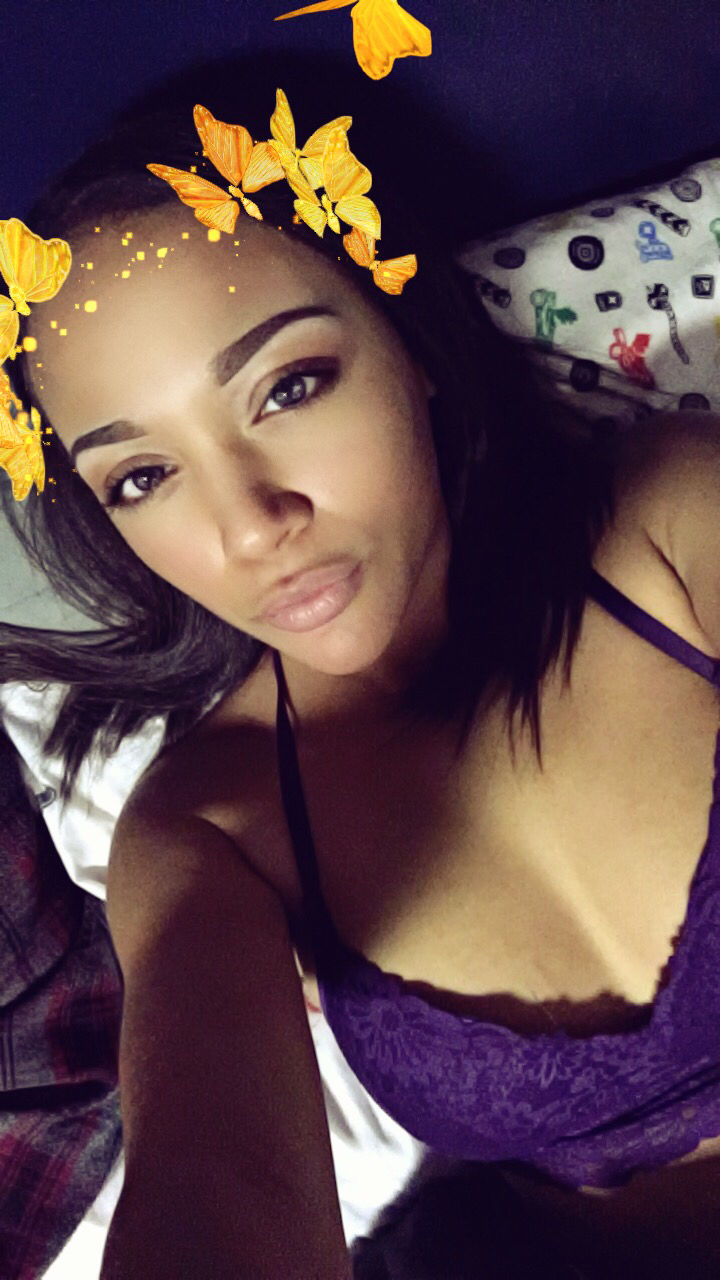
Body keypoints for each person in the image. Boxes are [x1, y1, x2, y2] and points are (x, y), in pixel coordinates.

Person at [3, 50, 720, 1280]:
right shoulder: (203, 828)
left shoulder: (677, 517)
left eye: (289, 386)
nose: (251, 525)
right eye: (143, 475)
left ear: (410, 343)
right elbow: (219, 1189)